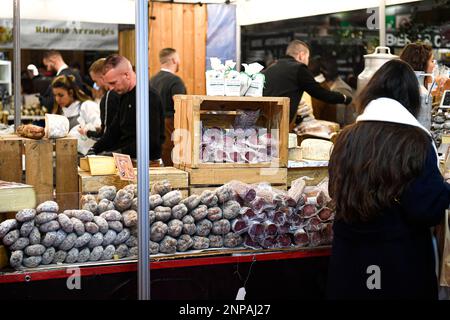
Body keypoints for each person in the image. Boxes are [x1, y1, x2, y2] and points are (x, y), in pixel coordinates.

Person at [327, 59, 450, 300]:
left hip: (349, 260)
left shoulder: (345, 137)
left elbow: (335, 191)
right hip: (399, 263)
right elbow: (425, 208)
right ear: (410, 99)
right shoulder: (416, 141)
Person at [262, 40, 352, 130]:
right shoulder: (299, 68)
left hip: (264, 125)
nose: (307, 62)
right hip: (281, 126)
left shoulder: (270, 69)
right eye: (307, 58)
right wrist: (344, 98)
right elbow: (319, 93)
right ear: (302, 55)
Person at [91, 54, 165, 164]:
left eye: (113, 83)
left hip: (147, 164)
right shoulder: (123, 96)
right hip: (127, 161)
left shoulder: (148, 97)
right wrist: (94, 149)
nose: (111, 88)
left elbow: (151, 141)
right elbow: (113, 132)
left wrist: (119, 153)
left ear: (126, 75)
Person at [150, 48, 187, 166]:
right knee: (170, 161)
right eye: (178, 59)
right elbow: (180, 105)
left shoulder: (152, 80)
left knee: (156, 161)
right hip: (169, 126)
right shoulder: (175, 81)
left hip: (152, 125)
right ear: (174, 60)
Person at [51, 75, 101, 155]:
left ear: (71, 92)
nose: (57, 99)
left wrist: (88, 130)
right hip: (66, 158)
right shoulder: (59, 113)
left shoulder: (87, 106)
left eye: (61, 95)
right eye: (55, 95)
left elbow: (100, 129)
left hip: (89, 157)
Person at [79, 58, 120, 140]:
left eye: (96, 81)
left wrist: (87, 132)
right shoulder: (121, 91)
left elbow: (106, 134)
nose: (96, 85)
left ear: (102, 77)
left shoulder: (110, 96)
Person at [400, 42, 436, 129]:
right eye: (431, 61)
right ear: (422, 63)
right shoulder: (423, 94)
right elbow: (424, 129)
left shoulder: (398, 84)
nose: (434, 65)